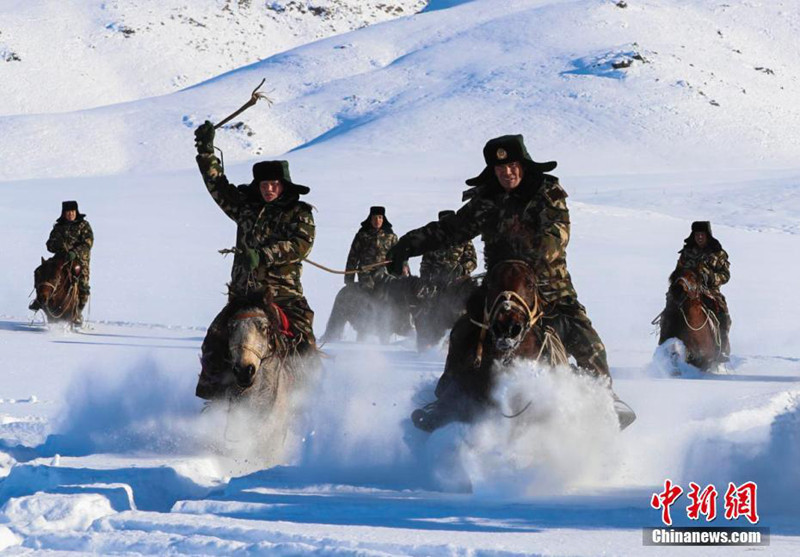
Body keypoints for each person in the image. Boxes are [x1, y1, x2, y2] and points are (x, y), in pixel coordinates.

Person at [387, 135, 629, 431]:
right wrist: (408, 245)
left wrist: (521, 250)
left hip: (548, 287)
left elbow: (557, 237)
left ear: (523, 166)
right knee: (464, 330)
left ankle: (605, 399)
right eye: (500, 168)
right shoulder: (486, 199)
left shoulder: (547, 192)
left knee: (584, 336)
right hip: (498, 288)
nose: (507, 173)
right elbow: (453, 229)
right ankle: (447, 399)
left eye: (512, 165)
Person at [193, 120, 316, 400]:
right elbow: (218, 187)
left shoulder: (299, 212)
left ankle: (307, 400)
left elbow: (301, 244)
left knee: (305, 345)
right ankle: (215, 400)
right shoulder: (246, 208)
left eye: (274, 184)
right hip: (245, 295)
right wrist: (206, 152)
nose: (268, 189)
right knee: (214, 341)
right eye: (264, 184)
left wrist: (262, 255)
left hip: (283, 295)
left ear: (283, 185)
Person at [322, 206, 408, 341]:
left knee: (392, 299)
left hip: (384, 274)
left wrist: (404, 271)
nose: (377, 220)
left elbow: (399, 256)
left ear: (383, 219)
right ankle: (362, 330)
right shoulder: (362, 235)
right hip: (365, 274)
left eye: (380, 217)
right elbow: (353, 257)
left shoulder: (391, 236)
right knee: (365, 297)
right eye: (374, 217)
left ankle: (394, 329)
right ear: (370, 219)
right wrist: (349, 279)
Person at [660, 221, 731, 358]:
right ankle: (664, 344)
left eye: (702, 234)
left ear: (708, 235)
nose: (699, 237)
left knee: (722, 313)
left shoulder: (718, 253)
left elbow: (725, 276)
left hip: (709, 290)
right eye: (697, 234)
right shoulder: (687, 252)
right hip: (687, 288)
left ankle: (721, 348)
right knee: (669, 310)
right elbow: (678, 271)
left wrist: (710, 277)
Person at [30, 200, 93, 325]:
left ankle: (77, 312)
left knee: (83, 285)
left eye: (72, 212)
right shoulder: (58, 227)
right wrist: (56, 245)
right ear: (64, 213)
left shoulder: (84, 225)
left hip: (79, 259)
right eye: (68, 212)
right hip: (60, 258)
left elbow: (88, 243)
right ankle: (39, 299)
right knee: (41, 271)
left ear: (76, 212)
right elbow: (49, 245)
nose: (70, 214)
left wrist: (75, 252)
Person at [419, 210, 477, 285]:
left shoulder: (464, 239)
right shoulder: (433, 240)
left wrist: (461, 270)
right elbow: (425, 264)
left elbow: (472, 261)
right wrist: (426, 280)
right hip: (435, 283)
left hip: (458, 282)